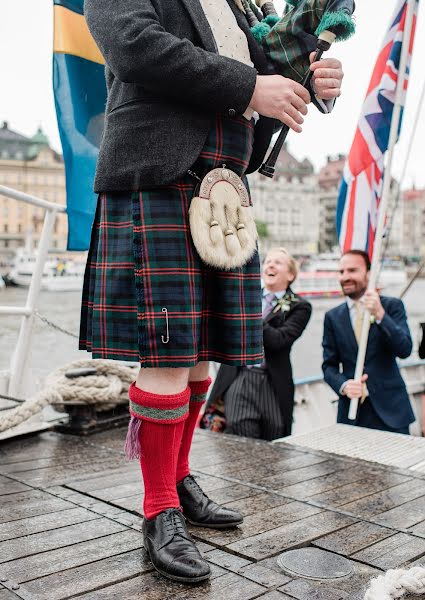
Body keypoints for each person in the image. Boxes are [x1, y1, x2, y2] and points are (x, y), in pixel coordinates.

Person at [81, 0, 344, 584]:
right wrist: (254, 85)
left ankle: (176, 478)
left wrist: (309, 82)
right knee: (168, 354)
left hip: (226, 189)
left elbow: (267, 83)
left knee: (200, 353)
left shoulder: (242, 4)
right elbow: (133, 45)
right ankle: (158, 513)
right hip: (160, 175)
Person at [205, 248, 312, 440]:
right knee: (239, 427)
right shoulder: (244, 297)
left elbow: (279, 340)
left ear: (290, 274)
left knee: (275, 430)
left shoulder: (300, 306)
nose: (270, 265)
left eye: (278, 262)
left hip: (273, 380)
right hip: (240, 375)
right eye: (268, 261)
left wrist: (251, 312)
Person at [322, 249, 415, 434]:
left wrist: (380, 314)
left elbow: (404, 349)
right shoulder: (332, 317)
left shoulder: (392, 306)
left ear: (369, 274)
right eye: (341, 272)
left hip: (392, 412)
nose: (345, 276)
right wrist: (344, 385)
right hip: (352, 414)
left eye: (352, 270)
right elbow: (328, 366)